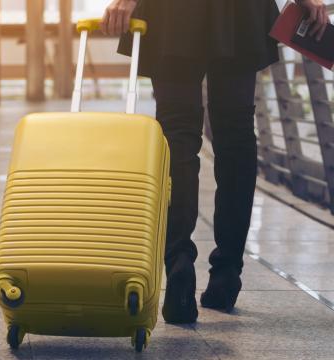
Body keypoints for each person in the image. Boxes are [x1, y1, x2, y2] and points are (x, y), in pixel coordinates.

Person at [101, 0, 329, 324]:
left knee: (177, 134)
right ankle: (226, 275)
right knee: (235, 135)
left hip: (174, 11)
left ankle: (178, 266)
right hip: (237, 9)